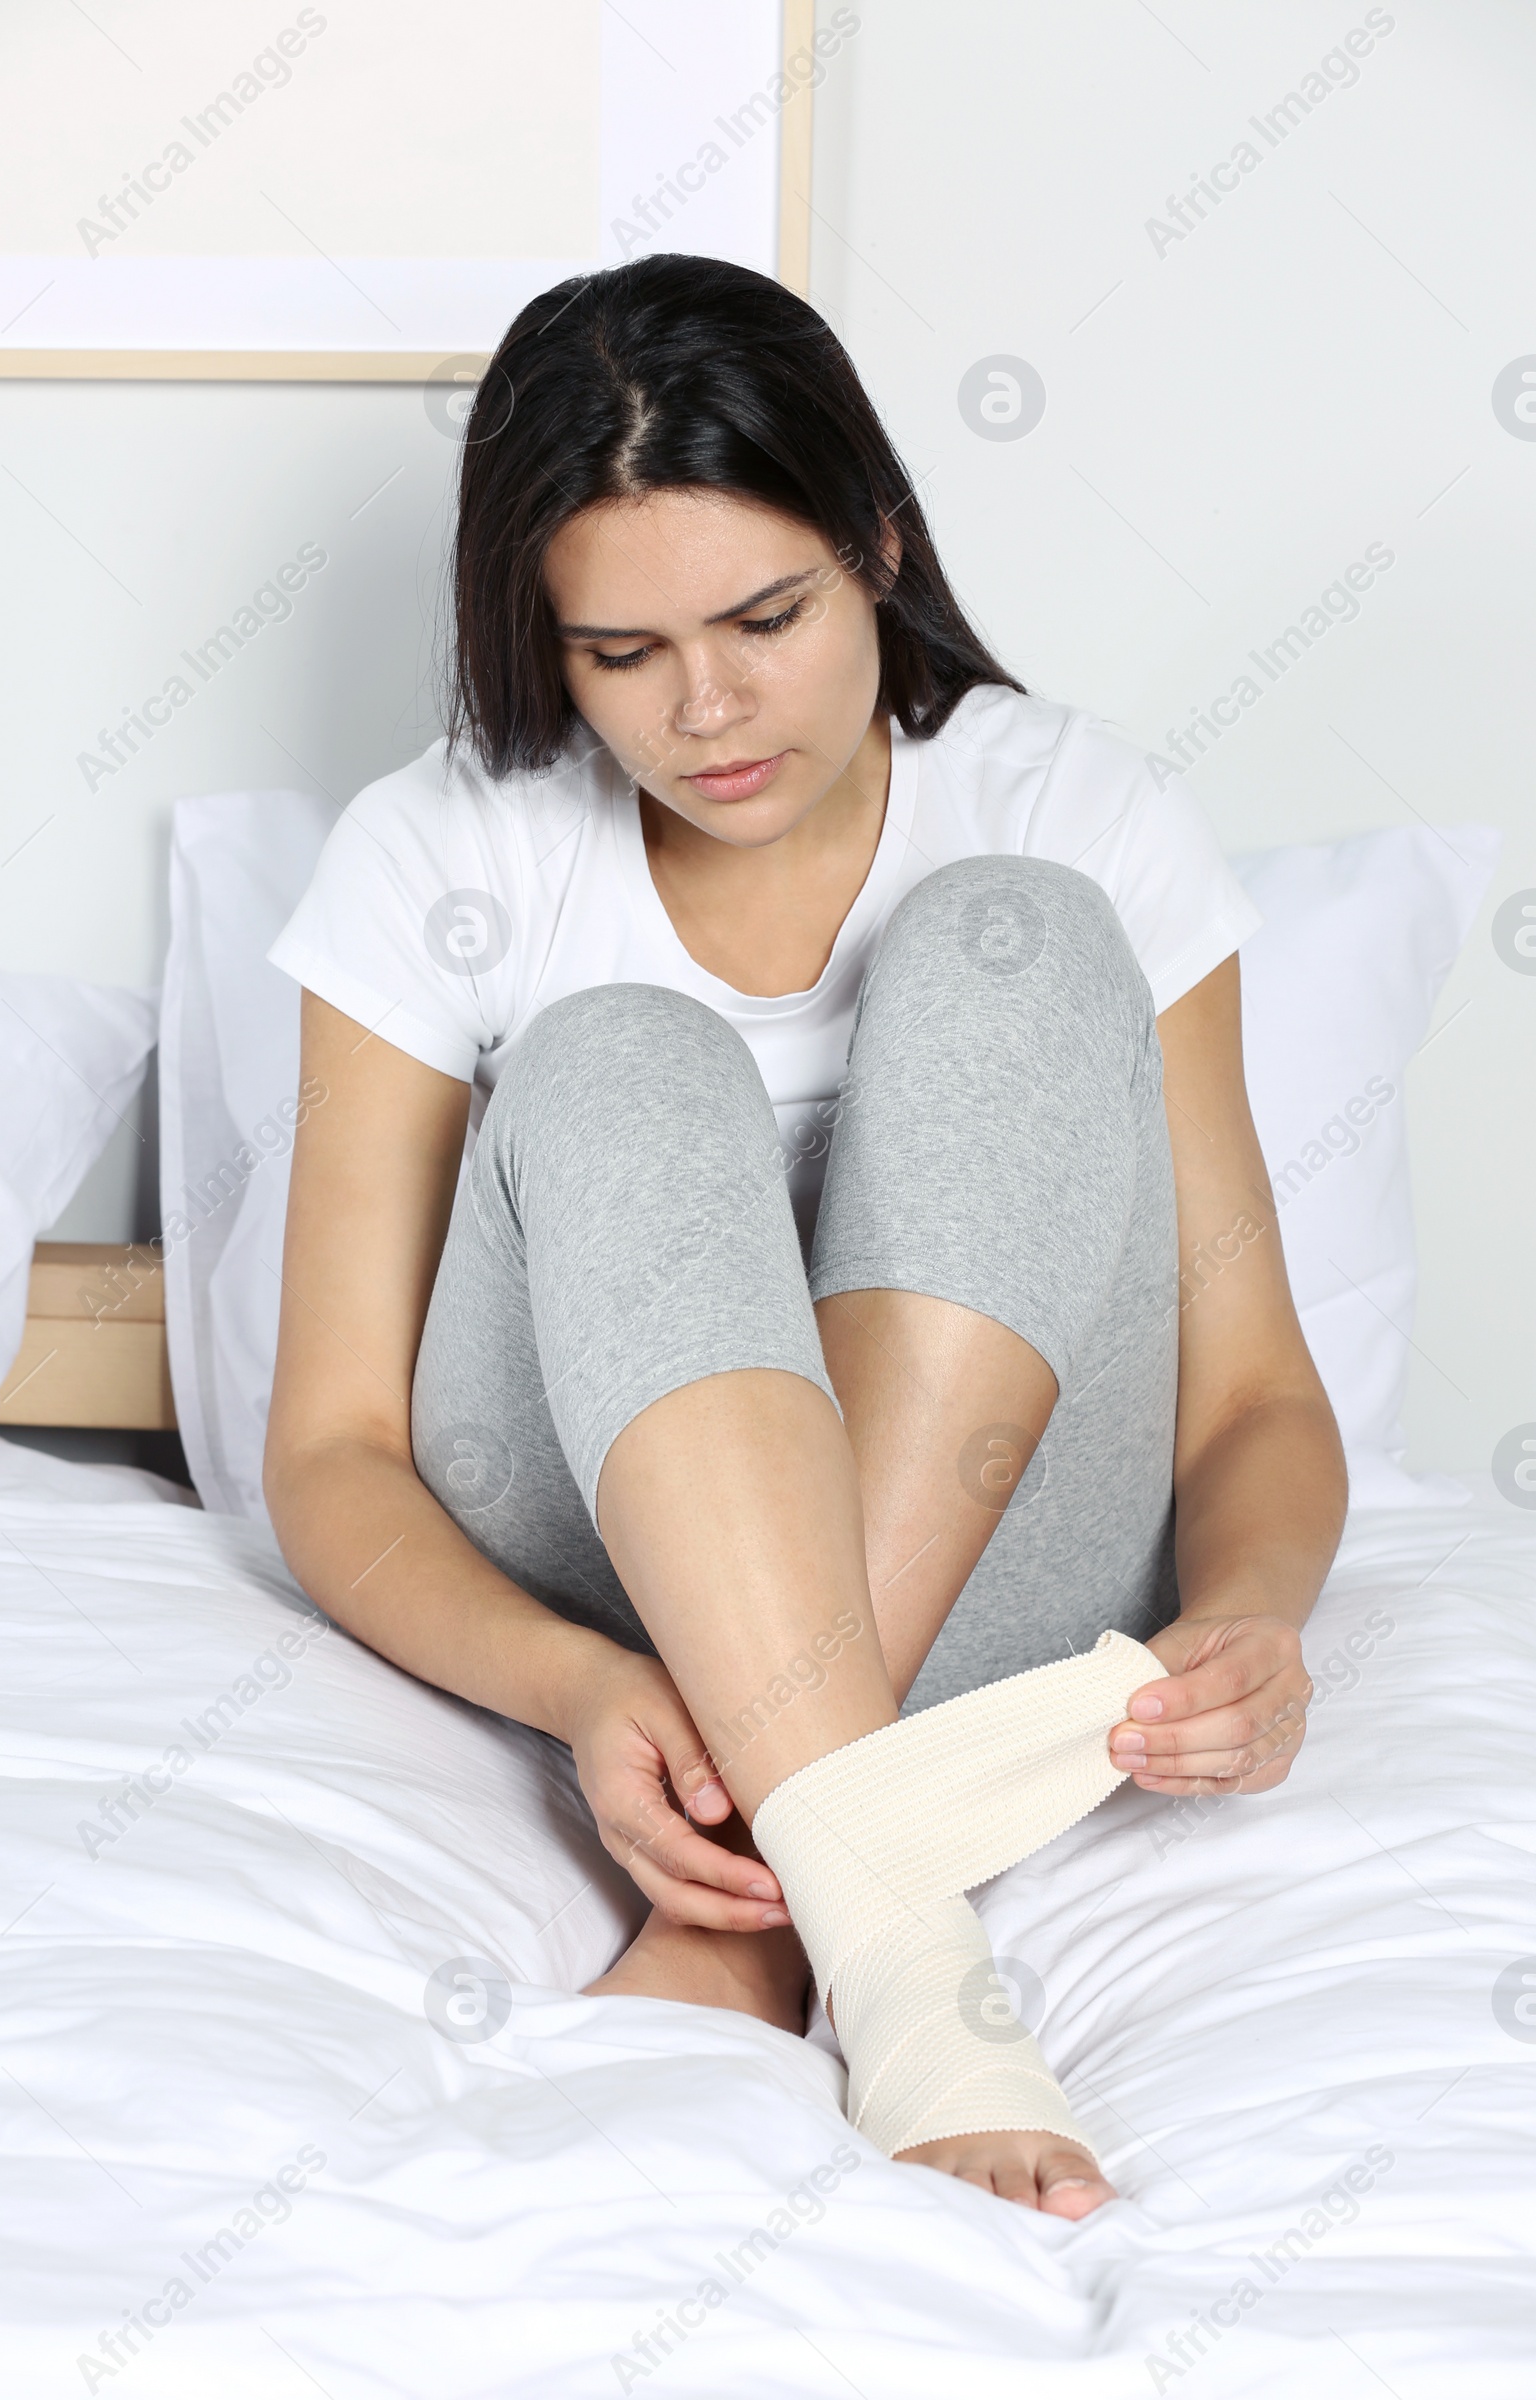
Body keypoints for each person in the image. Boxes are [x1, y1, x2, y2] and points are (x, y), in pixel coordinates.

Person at [263, 253, 1343, 2217]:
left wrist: (1251, 1612)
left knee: (1016, 941)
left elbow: (1248, 1392)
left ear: (876, 539)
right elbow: (330, 1453)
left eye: (763, 616)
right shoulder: (442, 849)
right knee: (606, 1054)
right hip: (614, 1594)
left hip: (998, 1556)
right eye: (616, 655)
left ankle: (771, 1911)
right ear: (542, 637)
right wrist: (579, 1691)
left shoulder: (1065, 802)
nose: (705, 711)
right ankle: (892, 1925)